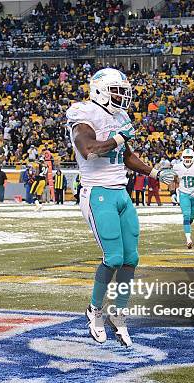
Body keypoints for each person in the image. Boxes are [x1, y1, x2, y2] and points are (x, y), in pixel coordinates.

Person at [66, 67, 175, 348]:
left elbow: (125, 155)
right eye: (116, 90)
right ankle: (94, 310)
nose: (121, 97)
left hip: (120, 192)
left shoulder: (120, 117)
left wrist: (153, 173)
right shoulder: (82, 113)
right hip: (97, 191)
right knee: (113, 257)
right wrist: (118, 138)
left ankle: (119, 312)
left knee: (131, 258)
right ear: (100, 90)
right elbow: (89, 148)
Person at [173, 149, 194, 249]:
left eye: (189, 157)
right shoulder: (177, 167)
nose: (187, 159)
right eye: (185, 157)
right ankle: (188, 239)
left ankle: (187, 226)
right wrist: (173, 193)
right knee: (186, 216)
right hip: (183, 193)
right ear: (182, 158)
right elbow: (174, 181)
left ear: (193, 158)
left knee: (191, 217)